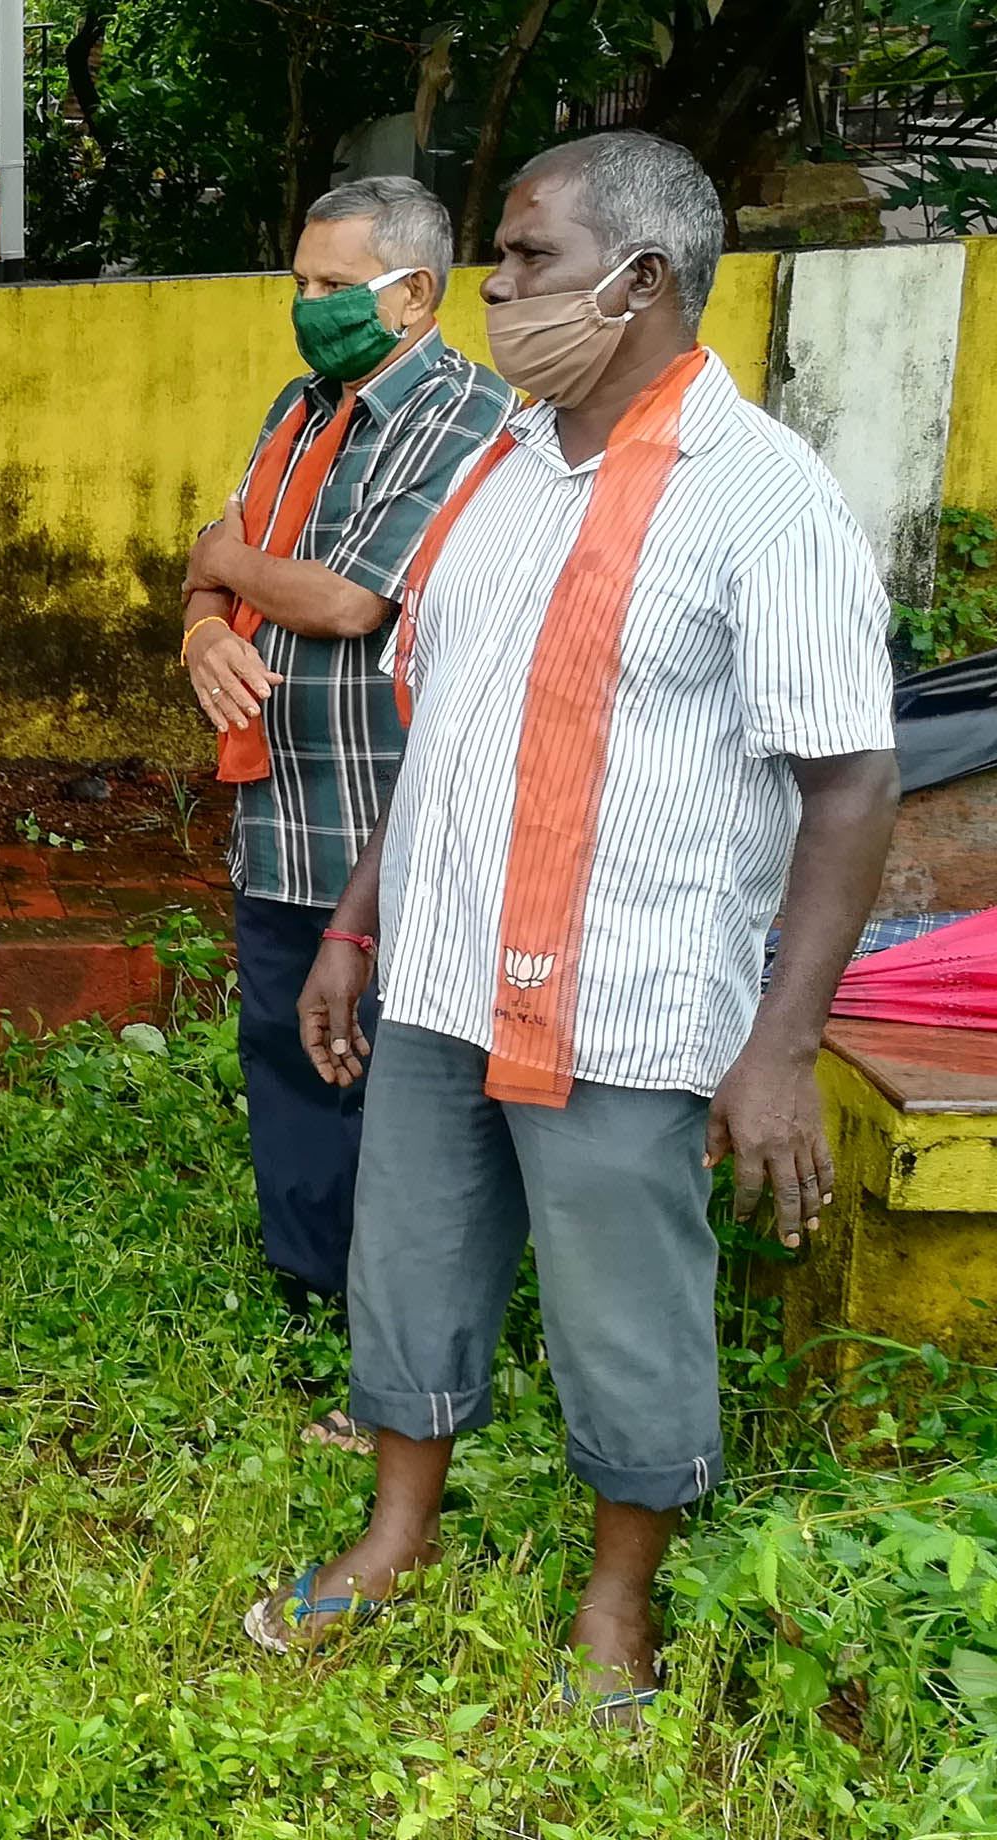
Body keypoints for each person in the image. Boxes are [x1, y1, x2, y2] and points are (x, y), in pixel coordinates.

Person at [254, 133, 901, 1719]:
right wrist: (355, 921)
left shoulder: (759, 495)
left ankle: (617, 1607)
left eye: (533, 258)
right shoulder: (505, 472)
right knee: (409, 1268)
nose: (499, 285)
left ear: (644, 281)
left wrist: (780, 1045)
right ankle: (395, 1533)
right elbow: (453, 726)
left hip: (630, 993)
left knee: (625, 1305)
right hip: (442, 971)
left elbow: (855, 778)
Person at [177, 176, 511, 1453]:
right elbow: (226, 553)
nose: (306, 308)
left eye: (331, 287)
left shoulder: (461, 414)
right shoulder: (299, 407)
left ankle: (397, 1343)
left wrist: (222, 566)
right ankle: (314, 1294)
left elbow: (348, 600)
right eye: (301, 282)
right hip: (281, 802)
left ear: (413, 292)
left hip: (385, 813)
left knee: (381, 1074)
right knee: (286, 1048)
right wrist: (204, 618)